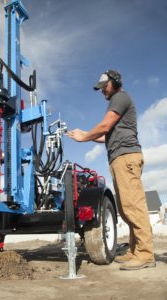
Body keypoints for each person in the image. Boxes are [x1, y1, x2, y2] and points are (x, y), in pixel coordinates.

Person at [68, 70, 155, 270]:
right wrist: (85, 135)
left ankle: (145, 254)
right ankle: (136, 250)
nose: (102, 91)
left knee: (134, 205)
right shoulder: (116, 100)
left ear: (115, 83)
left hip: (126, 157)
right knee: (126, 208)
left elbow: (105, 126)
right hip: (119, 158)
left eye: (104, 87)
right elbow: (105, 136)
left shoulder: (120, 97)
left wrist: (85, 136)